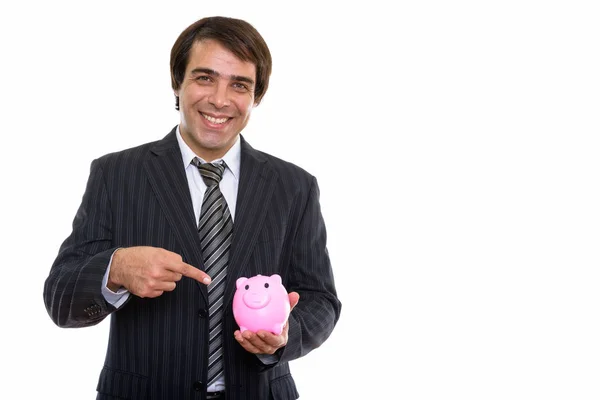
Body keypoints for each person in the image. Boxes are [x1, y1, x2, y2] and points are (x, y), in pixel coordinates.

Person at [43, 16, 341, 400]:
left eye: (239, 85)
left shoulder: (295, 186)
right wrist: (115, 269)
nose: (219, 99)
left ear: (256, 96)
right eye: (204, 78)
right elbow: (60, 297)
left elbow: (321, 299)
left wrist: (285, 335)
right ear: (177, 83)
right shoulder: (115, 174)